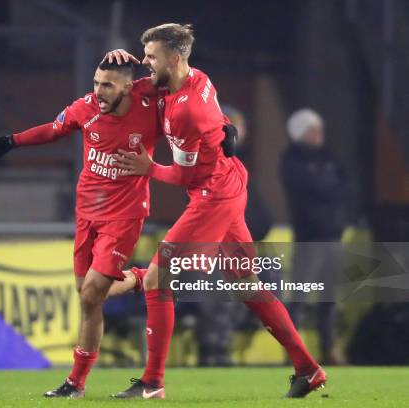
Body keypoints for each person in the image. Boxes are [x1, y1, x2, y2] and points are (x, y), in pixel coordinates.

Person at [106, 23, 326, 399]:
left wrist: (148, 168)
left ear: (174, 59)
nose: (146, 62)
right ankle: (309, 368)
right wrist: (225, 127)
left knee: (160, 277)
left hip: (214, 196)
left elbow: (183, 174)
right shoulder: (197, 79)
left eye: (151, 56)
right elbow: (167, 98)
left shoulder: (186, 114)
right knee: (247, 286)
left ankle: (152, 383)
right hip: (229, 183)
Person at [0, 60, 161, 398]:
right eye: (96, 82)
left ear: (128, 87)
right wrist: (12, 142)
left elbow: (177, 83)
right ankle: (139, 278)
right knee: (87, 296)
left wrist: (220, 128)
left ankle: (75, 382)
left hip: (125, 215)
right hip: (87, 211)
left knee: (91, 294)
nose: (99, 92)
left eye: (107, 85)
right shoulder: (85, 108)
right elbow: (52, 129)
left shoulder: (150, 107)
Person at [280, 108, 349, 365]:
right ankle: (293, 350)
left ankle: (329, 348)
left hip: (333, 236)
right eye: (312, 130)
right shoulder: (292, 159)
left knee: (329, 297)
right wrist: (326, 184)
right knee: (300, 295)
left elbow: (344, 189)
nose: (318, 134)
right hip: (309, 238)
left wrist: (324, 183)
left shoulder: (330, 158)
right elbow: (317, 188)